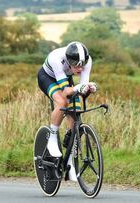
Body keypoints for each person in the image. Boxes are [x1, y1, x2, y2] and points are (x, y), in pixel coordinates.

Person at [37, 41, 97, 181]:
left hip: (64, 77)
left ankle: (70, 160)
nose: (80, 69)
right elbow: (65, 92)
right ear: (69, 61)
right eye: (76, 66)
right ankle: (52, 137)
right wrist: (78, 88)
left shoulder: (86, 61)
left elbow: (81, 89)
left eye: (82, 65)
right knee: (63, 102)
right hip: (48, 77)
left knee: (75, 111)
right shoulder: (56, 58)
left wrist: (88, 88)